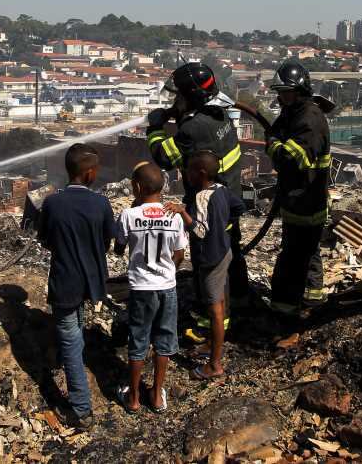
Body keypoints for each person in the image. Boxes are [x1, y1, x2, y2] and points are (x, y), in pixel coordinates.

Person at [146, 62, 250, 317]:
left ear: (190, 97)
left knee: (208, 262)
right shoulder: (219, 112)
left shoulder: (193, 129)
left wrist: (155, 128)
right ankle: (241, 301)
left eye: (179, 95)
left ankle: (210, 319)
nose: (175, 98)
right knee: (231, 251)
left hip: (207, 207)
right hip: (229, 196)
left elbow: (163, 157)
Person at [37, 143, 122, 427]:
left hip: (65, 281)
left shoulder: (52, 202)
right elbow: (110, 242)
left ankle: (81, 406)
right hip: (93, 281)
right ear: (87, 173)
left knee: (70, 338)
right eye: (95, 169)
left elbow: (45, 240)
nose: (97, 173)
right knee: (74, 336)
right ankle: (81, 405)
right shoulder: (101, 203)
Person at [165, 151, 246, 380]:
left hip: (210, 259)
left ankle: (214, 365)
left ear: (200, 173)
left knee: (216, 310)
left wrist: (182, 212)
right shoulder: (222, 189)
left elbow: (200, 231)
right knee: (218, 302)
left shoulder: (201, 197)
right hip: (225, 252)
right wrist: (223, 226)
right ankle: (212, 344)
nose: (185, 175)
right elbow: (239, 207)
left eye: (189, 170)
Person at [115, 162, 188, 413]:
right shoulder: (173, 215)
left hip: (140, 288)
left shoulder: (128, 215)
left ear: (136, 187)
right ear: (163, 187)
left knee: (138, 341)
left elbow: (118, 247)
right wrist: (169, 270)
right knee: (164, 341)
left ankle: (134, 398)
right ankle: (156, 396)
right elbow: (179, 254)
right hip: (167, 286)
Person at [264, 62, 331, 320]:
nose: (280, 97)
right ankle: (312, 298)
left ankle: (284, 310)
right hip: (299, 197)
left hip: (306, 201)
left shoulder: (309, 119)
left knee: (292, 258)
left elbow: (290, 159)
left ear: (299, 89)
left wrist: (273, 146)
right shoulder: (293, 112)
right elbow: (277, 132)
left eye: (284, 91)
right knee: (307, 251)